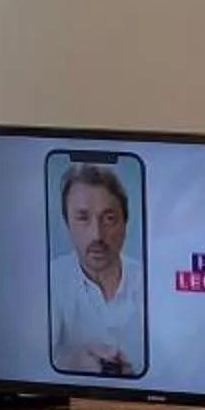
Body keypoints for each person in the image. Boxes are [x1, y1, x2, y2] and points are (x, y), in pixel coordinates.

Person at [49, 159, 146, 377]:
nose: (97, 235)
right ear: (67, 224)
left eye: (109, 219)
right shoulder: (49, 281)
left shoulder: (151, 281)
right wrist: (72, 364)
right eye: (83, 218)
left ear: (125, 223)